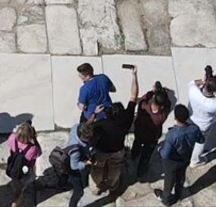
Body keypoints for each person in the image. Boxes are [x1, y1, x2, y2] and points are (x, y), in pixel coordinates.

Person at [88, 67, 138, 195]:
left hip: (101, 151)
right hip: (118, 150)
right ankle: (113, 184)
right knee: (115, 168)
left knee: (98, 168)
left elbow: (86, 128)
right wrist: (134, 76)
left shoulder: (101, 124)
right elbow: (133, 96)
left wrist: (94, 114)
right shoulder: (127, 119)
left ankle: (96, 186)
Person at [157, 104, 203, 206]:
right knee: (181, 176)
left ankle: (166, 200)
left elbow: (165, 155)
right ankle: (178, 193)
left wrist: (160, 149)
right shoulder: (195, 128)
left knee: (169, 181)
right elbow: (201, 140)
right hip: (185, 158)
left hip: (172, 162)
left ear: (175, 117)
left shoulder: (172, 135)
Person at [130, 78, 171, 179]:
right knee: (146, 156)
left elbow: (144, 97)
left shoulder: (143, 105)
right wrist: (163, 94)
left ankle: (133, 155)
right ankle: (141, 172)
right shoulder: (162, 116)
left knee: (137, 144)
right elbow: (168, 105)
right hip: (152, 138)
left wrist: (153, 92)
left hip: (139, 132)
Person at [187, 66, 216, 164]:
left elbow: (192, 83)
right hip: (204, 126)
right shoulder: (214, 104)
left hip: (190, 119)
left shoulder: (193, 91)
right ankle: (195, 161)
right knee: (200, 142)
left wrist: (204, 81)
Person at [5, 121, 42, 207]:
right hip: (24, 172)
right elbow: (39, 153)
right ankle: (16, 203)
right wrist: (35, 141)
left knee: (15, 183)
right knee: (20, 188)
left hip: (13, 166)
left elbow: (10, 145)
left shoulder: (12, 138)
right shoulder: (32, 149)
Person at [65, 123, 96, 207]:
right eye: (88, 138)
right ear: (82, 136)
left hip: (73, 158)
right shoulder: (75, 151)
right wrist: (86, 163)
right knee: (79, 192)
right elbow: (74, 166)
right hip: (72, 170)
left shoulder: (76, 127)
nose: (90, 139)